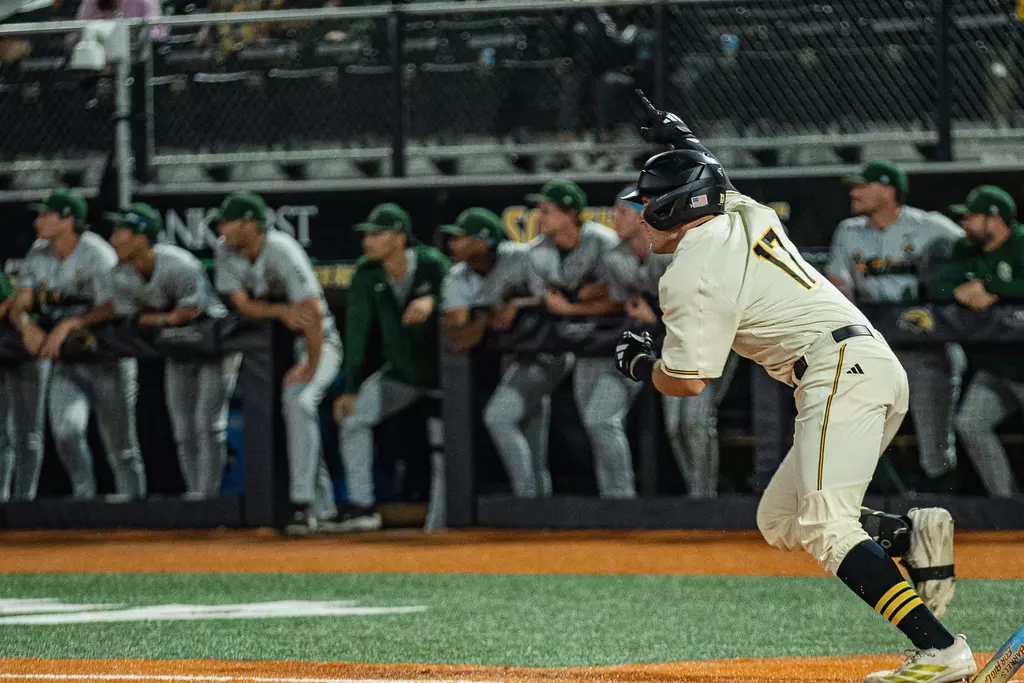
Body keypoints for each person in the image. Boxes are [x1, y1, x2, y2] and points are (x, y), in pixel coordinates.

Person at [613, 103, 968, 683]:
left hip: (837, 372)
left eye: (646, 206)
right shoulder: (741, 210)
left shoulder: (690, 271)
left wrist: (640, 365)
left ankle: (941, 651)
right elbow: (713, 175)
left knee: (828, 525)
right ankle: (910, 534)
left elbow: (688, 380)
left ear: (677, 207)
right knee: (781, 521)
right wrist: (677, 134)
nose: (639, 216)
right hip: (866, 364)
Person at [485, 179, 637, 499]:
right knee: (593, 426)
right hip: (584, 349)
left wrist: (573, 305)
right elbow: (548, 300)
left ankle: (624, 501)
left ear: (570, 213)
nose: (540, 216)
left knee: (602, 422)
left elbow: (624, 297)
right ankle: (613, 501)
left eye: (547, 209)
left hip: (623, 344)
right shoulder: (539, 251)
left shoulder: (603, 242)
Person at [828, 161, 966, 486]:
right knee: (859, 434)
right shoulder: (848, 231)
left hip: (927, 348)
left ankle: (947, 517)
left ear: (888, 190)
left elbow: (977, 251)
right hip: (876, 347)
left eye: (863, 185)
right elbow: (839, 283)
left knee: (935, 446)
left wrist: (948, 282)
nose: (854, 192)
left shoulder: (931, 227)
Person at [213, 191, 339, 534]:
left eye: (229, 221)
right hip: (275, 348)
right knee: (296, 410)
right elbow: (244, 306)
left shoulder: (282, 249)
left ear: (251, 224)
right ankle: (322, 504)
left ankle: (301, 504)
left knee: (298, 401)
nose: (222, 228)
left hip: (317, 342)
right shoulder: (225, 251)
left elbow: (312, 313)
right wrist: (282, 310)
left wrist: (310, 367)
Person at [10, 188, 145, 501]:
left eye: (47, 215)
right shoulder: (38, 252)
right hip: (68, 363)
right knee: (67, 433)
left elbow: (114, 304)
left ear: (68, 220)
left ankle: (135, 515)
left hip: (107, 360)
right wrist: (26, 325)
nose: (38, 221)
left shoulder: (96, 253)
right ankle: (85, 503)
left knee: (122, 448)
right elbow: (22, 302)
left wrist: (70, 323)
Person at [606, 189, 737, 499]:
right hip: (673, 342)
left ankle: (707, 499)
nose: (615, 218)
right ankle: (697, 495)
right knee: (674, 427)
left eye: (622, 212)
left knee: (695, 422)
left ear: (643, 216)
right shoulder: (616, 257)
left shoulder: (674, 247)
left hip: (709, 335)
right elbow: (625, 301)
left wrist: (654, 318)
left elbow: (704, 303)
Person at [106, 203, 241, 499]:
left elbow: (191, 312)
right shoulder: (119, 273)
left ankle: (210, 497)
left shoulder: (179, 263)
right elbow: (135, 319)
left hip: (214, 344)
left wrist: (158, 320)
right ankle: (195, 496)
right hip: (177, 349)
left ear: (142, 237)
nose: (113, 238)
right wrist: (165, 319)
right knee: (182, 429)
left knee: (209, 425)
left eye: (121, 231)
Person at [333, 203, 450, 532]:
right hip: (402, 374)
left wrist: (433, 301)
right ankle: (362, 507)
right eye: (366, 235)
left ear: (399, 238)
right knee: (353, 417)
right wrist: (351, 388)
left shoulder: (430, 264)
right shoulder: (367, 273)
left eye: (376, 234)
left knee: (445, 451)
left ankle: (451, 519)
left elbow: (461, 295)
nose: (367, 241)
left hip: (447, 378)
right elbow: (356, 334)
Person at [440, 207, 552, 497]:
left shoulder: (521, 256)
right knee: (532, 438)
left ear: (484, 241)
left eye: (461, 238)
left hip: (550, 351)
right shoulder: (456, 278)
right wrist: (487, 319)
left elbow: (554, 296)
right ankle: (541, 515)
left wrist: (518, 304)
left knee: (498, 418)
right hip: (515, 359)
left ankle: (525, 501)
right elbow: (458, 340)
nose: (452, 244)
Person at [933, 186, 1024, 498]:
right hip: (995, 368)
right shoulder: (965, 249)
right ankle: (1006, 503)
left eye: (971, 217)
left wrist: (991, 286)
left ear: (995, 218)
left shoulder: (1021, 242)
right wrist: (959, 292)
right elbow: (939, 284)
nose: (964, 224)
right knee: (970, 424)